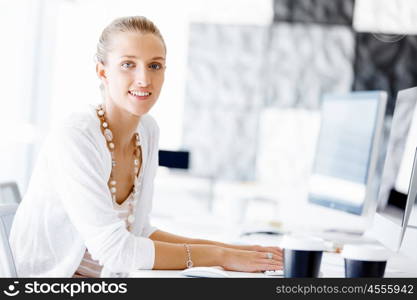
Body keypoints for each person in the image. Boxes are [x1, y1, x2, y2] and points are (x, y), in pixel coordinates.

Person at [9, 16, 283, 277]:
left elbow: (138, 233)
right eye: (128, 64)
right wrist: (221, 257)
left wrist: (235, 250)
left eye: (155, 65)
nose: (144, 79)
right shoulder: (76, 135)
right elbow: (117, 251)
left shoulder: (147, 131)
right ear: (102, 71)